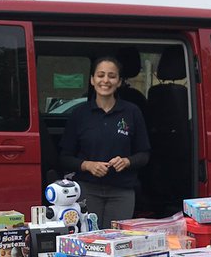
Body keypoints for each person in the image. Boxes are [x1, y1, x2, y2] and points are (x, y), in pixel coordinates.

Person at [59, 55, 151, 227]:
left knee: (117, 242)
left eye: (112, 76)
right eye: (100, 75)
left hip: (122, 191)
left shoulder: (132, 112)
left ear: (119, 81)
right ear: (92, 80)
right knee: (88, 240)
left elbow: (144, 155)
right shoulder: (80, 114)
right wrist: (88, 165)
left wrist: (127, 161)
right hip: (87, 189)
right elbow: (64, 158)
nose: (105, 80)